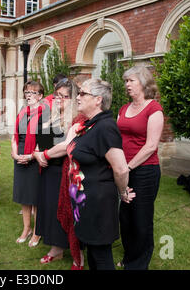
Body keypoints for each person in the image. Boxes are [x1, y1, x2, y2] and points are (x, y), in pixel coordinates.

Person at [36, 79, 135, 270]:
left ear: (98, 99)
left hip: (98, 202)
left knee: (101, 257)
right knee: (94, 257)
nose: (78, 97)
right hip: (85, 201)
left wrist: (123, 192)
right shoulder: (89, 125)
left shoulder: (106, 127)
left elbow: (121, 168)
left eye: (82, 93)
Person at [116, 66, 164, 270]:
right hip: (123, 169)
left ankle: (138, 264)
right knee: (125, 216)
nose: (127, 85)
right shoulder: (123, 108)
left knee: (141, 218)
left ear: (144, 83)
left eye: (131, 81)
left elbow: (151, 145)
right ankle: (129, 256)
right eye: (126, 81)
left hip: (144, 171)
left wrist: (128, 166)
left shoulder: (154, 109)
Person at [34, 78, 78, 265]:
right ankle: (56, 248)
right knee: (48, 207)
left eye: (64, 96)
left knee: (60, 208)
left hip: (62, 170)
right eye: (57, 95)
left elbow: (67, 146)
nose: (59, 99)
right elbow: (38, 141)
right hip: (46, 169)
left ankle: (65, 246)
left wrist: (44, 154)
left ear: (73, 98)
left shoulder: (75, 120)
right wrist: (37, 154)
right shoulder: (50, 115)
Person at [12, 80, 49, 247]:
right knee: (23, 196)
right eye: (26, 92)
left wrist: (31, 156)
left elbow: (43, 140)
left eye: (32, 92)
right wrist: (14, 153)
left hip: (34, 157)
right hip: (19, 155)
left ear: (40, 96)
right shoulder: (22, 111)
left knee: (35, 197)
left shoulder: (45, 113)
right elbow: (15, 136)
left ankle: (37, 232)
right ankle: (26, 228)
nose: (28, 95)